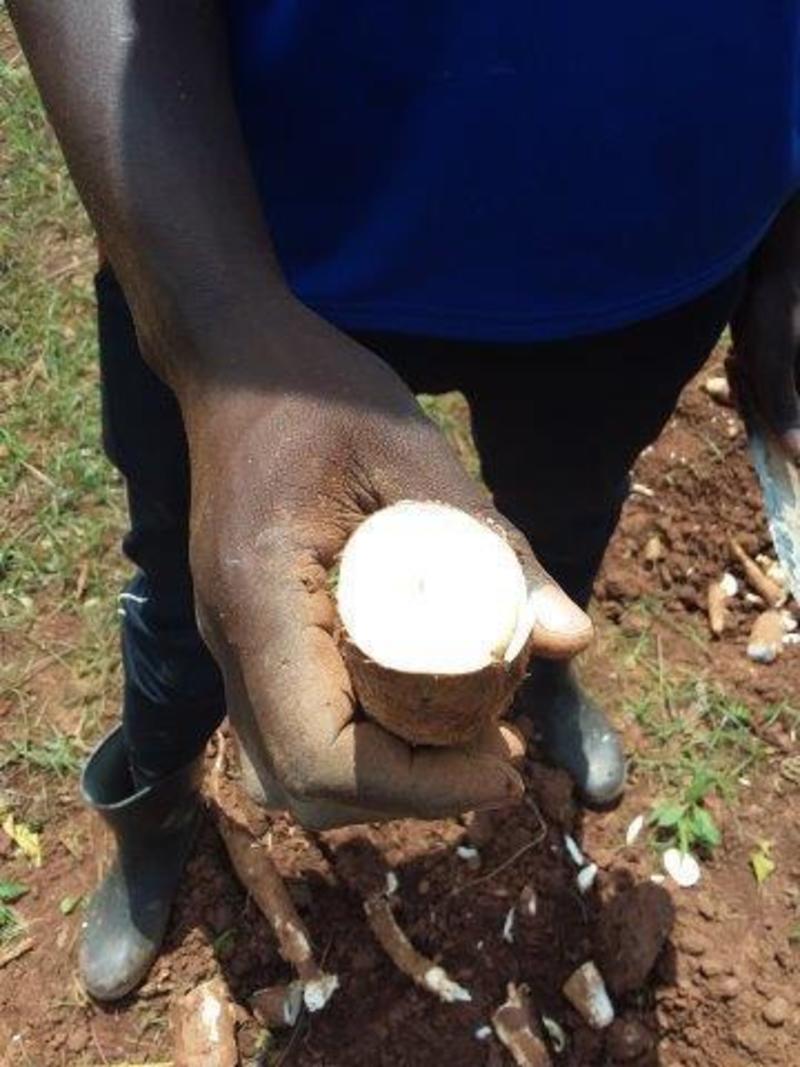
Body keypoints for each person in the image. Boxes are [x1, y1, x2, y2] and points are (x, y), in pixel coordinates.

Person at [9, 2, 799, 1003]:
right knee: (193, 583)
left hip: (654, 236)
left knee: (565, 521)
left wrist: (787, 223)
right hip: (241, 218)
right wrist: (216, 332)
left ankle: (541, 683)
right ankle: (156, 795)